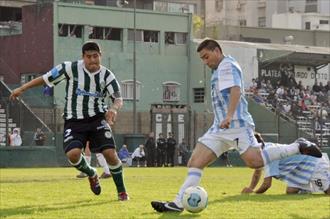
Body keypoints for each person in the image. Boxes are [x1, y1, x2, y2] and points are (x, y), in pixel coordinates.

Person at [151, 38, 322, 212]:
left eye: (206, 56)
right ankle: (178, 203)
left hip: (236, 124)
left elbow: (235, 90)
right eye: (202, 58)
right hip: (219, 128)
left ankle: (298, 147)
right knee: (195, 161)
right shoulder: (219, 68)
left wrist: (229, 115)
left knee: (254, 162)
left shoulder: (227, 65)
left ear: (217, 51)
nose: (205, 61)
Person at [9, 41, 129, 201]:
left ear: (100, 56)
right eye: (89, 57)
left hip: (97, 120)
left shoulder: (107, 75)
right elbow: (45, 79)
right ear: (83, 57)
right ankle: (92, 173)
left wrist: (113, 109)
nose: (92, 60)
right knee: (73, 155)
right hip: (74, 121)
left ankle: (122, 192)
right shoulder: (69, 68)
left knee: (110, 154)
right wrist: (22, 89)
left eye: (96, 56)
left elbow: (118, 98)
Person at [242, 134, 330, 195]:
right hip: (299, 171)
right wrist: (251, 188)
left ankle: (311, 186)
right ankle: (306, 189)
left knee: (328, 191)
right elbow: (257, 172)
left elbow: (266, 184)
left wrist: (253, 193)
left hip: (313, 164)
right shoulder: (263, 151)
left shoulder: (269, 154)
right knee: (291, 191)